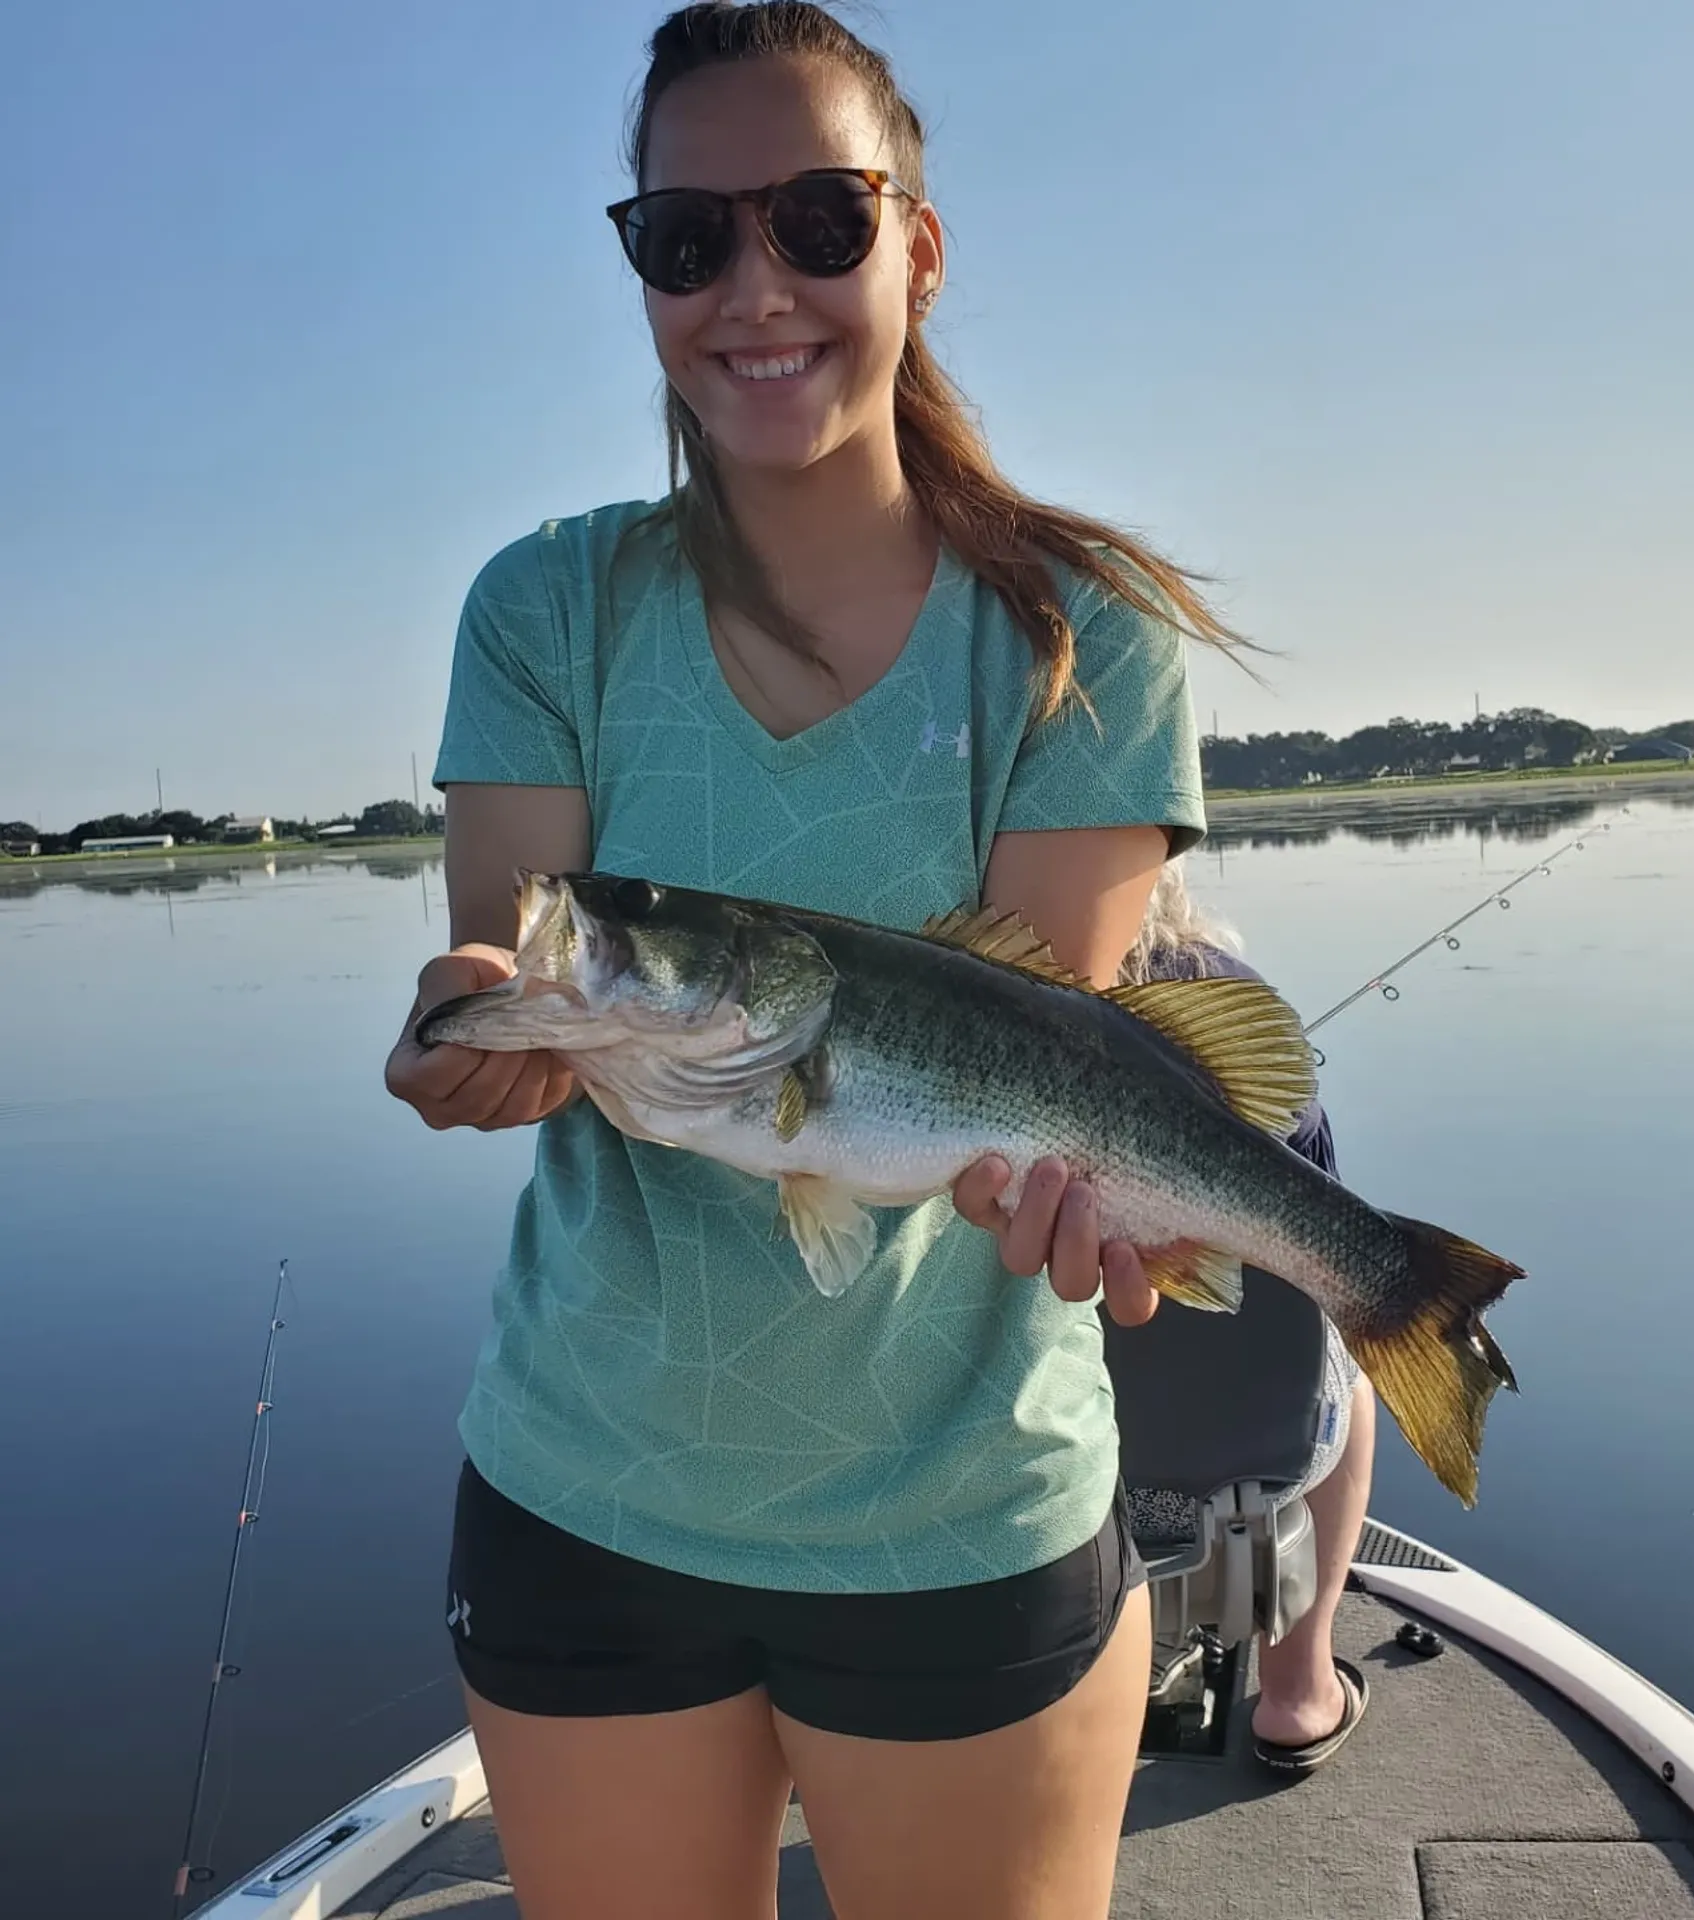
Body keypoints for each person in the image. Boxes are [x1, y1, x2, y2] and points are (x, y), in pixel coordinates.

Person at [382, 6, 1244, 1916]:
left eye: (819, 221)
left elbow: (1057, 1040)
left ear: (917, 248)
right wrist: (468, 1020)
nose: (751, 288)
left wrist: (1114, 1213)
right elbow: (500, 939)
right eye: (687, 239)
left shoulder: (1077, 633)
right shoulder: (545, 605)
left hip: (965, 1518)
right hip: (583, 1496)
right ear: (641, 270)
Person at [1119, 861, 1378, 1774]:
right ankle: (1299, 1688)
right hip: (1269, 1442)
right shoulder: (1229, 1000)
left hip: (1099, 1471)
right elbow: (1322, 1204)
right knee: (1352, 1362)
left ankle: (1128, 1643)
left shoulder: (973, 1000)